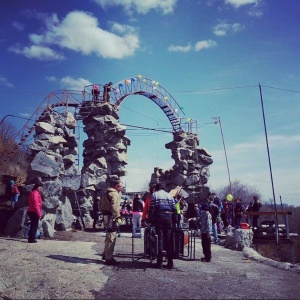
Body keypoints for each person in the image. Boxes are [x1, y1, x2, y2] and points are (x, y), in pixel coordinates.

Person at [148, 183, 177, 269]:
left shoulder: (155, 195)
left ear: (156, 188)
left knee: (159, 239)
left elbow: (152, 208)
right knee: (169, 239)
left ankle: (159, 262)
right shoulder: (170, 196)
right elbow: (174, 209)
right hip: (169, 218)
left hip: (159, 217)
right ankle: (170, 262)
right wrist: (175, 221)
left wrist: (150, 220)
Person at [100, 180, 123, 265]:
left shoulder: (106, 192)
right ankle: (109, 258)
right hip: (111, 217)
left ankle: (105, 254)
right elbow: (115, 207)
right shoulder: (115, 194)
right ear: (116, 186)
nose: (122, 188)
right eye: (121, 186)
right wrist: (118, 218)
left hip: (105, 215)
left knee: (108, 235)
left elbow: (101, 205)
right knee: (111, 237)